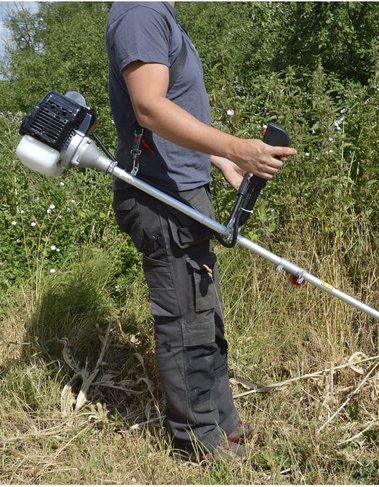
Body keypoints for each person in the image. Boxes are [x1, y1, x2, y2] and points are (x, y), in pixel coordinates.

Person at [105, 2, 296, 462]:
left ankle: (223, 423)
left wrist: (217, 158)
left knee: (204, 315)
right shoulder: (140, 11)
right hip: (160, 197)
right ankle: (197, 442)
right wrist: (235, 145)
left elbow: (174, 110)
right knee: (185, 321)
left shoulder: (160, 15)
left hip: (184, 190)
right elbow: (148, 107)